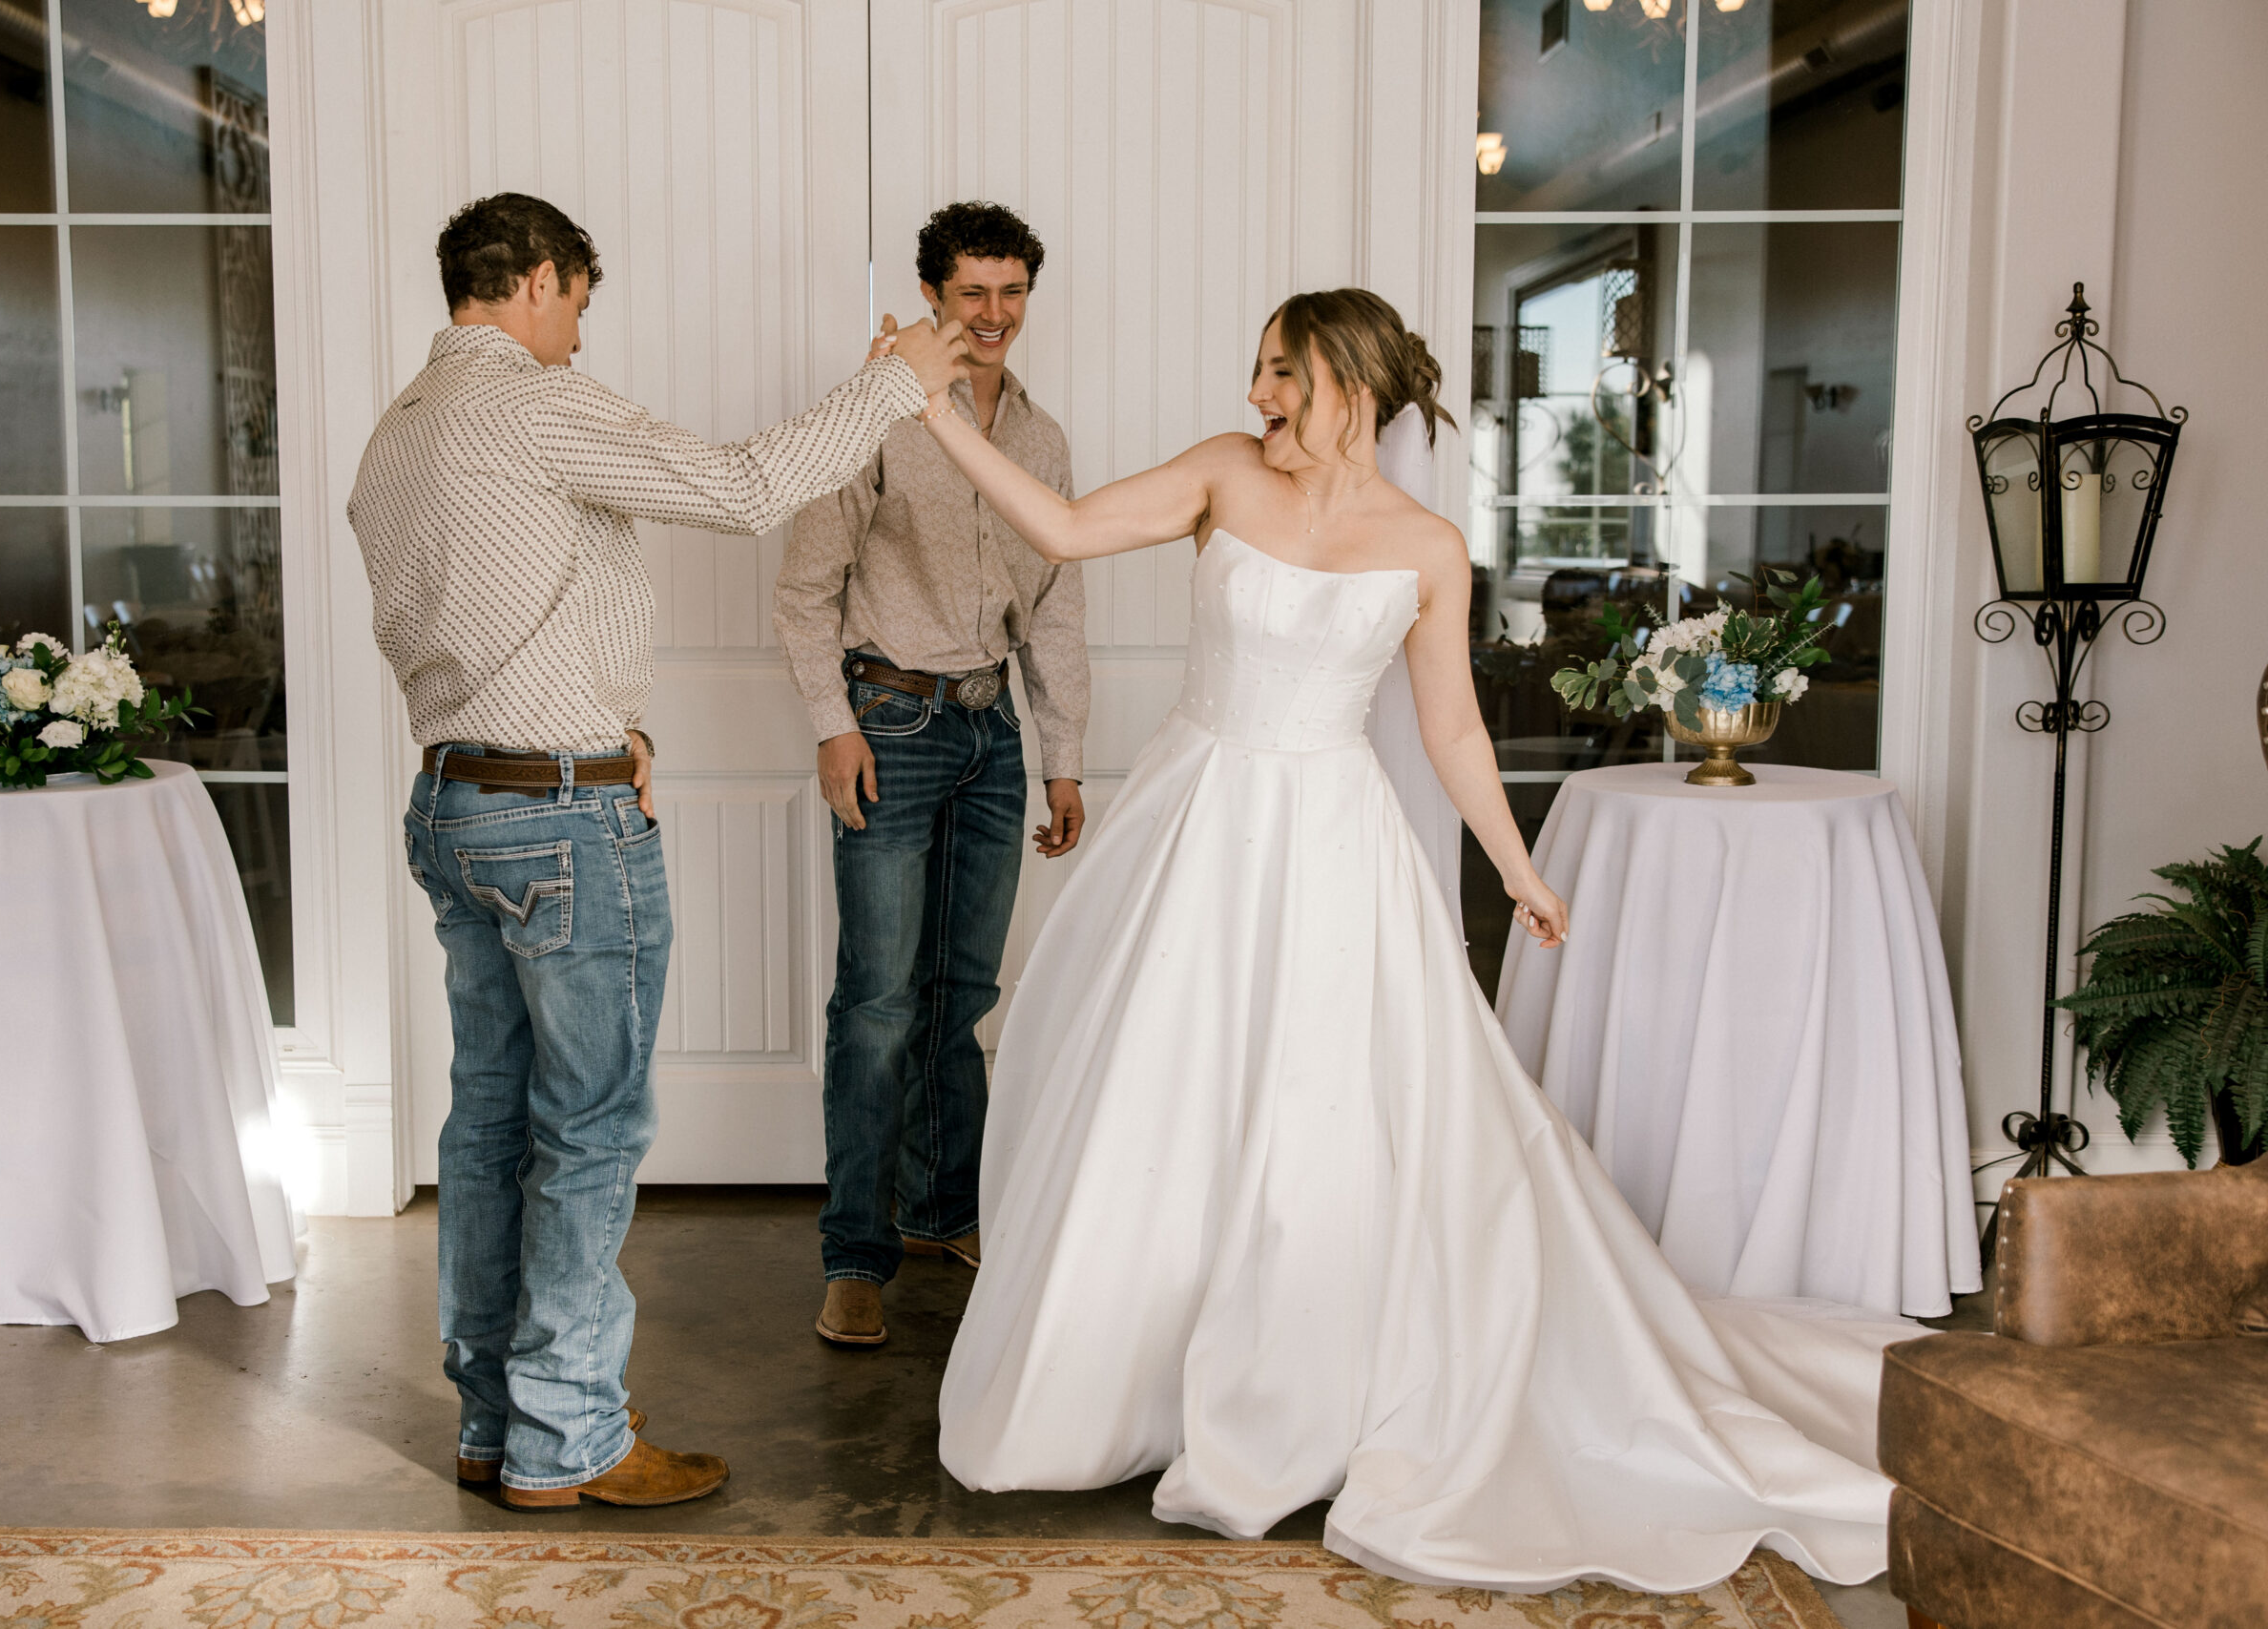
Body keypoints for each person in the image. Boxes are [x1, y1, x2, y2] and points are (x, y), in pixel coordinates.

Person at [911, 288, 1910, 1591]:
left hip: (1332, 847)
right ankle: (1127, 1378)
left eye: (1287, 376)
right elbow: (1060, 523)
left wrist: (1518, 865)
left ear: (1356, 382)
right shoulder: (1221, 477)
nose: (1261, 397)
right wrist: (928, 407)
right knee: (1165, 1096)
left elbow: (1451, 730)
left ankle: (1302, 1391)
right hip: (1199, 824)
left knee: (1317, 1119)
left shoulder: (1428, 545)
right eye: (1258, 370)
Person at [347, 192, 966, 1511]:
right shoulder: (530, 402)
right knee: (586, 1129)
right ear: (540, 280)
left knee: (486, 1123)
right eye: (578, 301)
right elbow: (741, 489)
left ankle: (493, 1419)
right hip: (561, 818)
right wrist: (890, 386)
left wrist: (594, 709)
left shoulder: (395, 434)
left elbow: (485, 608)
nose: (579, 330)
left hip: (454, 801)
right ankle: (568, 1438)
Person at [775, 201, 1089, 1349]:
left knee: (962, 1002)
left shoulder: (1043, 441)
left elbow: (1054, 611)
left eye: (1011, 292)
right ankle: (855, 1255)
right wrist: (832, 724)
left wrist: (1061, 758)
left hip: (991, 736)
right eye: (972, 293)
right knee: (876, 1007)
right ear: (929, 298)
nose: (994, 314)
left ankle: (945, 1213)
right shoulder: (877, 421)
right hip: (890, 726)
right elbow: (805, 589)